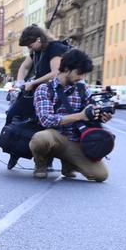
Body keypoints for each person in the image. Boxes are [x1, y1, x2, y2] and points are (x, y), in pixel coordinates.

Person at [30, 49, 112, 182]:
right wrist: (80, 116)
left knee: (101, 175)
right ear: (67, 69)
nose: (81, 77)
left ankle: (69, 164)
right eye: (79, 73)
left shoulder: (82, 88)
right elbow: (46, 120)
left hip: (76, 140)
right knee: (40, 139)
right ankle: (41, 163)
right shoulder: (45, 89)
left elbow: (91, 110)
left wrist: (101, 116)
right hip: (54, 137)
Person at [12, 25, 68, 122]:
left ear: (38, 39)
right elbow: (24, 67)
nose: (30, 49)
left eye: (30, 45)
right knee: (13, 114)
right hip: (39, 91)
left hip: (53, 94)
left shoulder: (55, 48)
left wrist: (33, 83)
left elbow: (56, 73)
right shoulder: (36, 51)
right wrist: (20, 82)